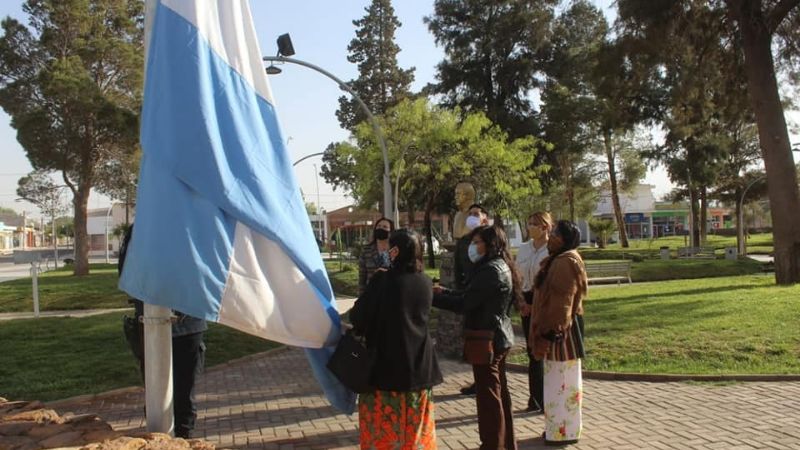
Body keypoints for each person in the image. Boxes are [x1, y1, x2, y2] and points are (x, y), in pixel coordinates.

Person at [349, 229, 443, 449]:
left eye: (389, 246)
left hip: (384, 370)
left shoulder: (382, 280)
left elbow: (358, 317)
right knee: (416, 433)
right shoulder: (425, 282)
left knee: (383, 433)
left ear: (396, 251)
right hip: (419, 369)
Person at [433, 225, 521, 450]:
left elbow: (465, 303)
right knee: (498, 393)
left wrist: (432, 298)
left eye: (478, 242)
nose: (473, 247)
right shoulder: (496, 267)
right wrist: (444, 292)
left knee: (489, 397)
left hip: (487, 338)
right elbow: (470, 296)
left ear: (491, 245)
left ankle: (492, 444)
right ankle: (505, 443)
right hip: (497, 335)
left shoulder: (491, 270)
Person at [119, 225, 207, 439]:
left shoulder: (189, 228)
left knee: (183, 395)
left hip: (187, 325)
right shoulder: (141, 230)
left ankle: (181, 440)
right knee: (157, 396)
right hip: (151, 325)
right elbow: (126, 275)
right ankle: (161, 440)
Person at [529, 220, 587, 446]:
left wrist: (550, 332)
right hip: (560, 331)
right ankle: (562, 429)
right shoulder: (560, 259)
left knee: (561, 384)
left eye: (554, 233)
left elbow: (563, 301)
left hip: (561, 334)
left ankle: (562, 431)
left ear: (562, 239)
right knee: (560, 383)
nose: (549, 236)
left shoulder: (565, 262)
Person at [514, 211, 553, 414]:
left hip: (544, 302)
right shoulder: (523, 249)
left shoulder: (552, 250)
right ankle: (535, 398)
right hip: (526, 300)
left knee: (544, 349)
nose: (529, 227)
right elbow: (517, 277)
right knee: (532, 351)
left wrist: (538, 304)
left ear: (544, 227)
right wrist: (521, 301)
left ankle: (549, 397)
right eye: (528, 223)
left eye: (533, 224)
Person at [453, 204, 490, 396]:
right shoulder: (463, 242)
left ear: (485, 218)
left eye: (476, 214)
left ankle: (488, 380)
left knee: (488, 342)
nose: (472, 217)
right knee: (472, 340)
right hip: (468, 295)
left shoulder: (493, 239)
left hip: (488, 298)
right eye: (470, 214)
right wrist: (460, 294)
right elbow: (458, 270)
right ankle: (477, 380)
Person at [358, 217, 394, 295]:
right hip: (371, 294)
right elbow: (362, 276)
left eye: (385, 227)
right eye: (379, 226)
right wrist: (361, 297)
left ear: (391, 231)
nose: (381, 228)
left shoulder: (395, 250)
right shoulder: (366, 250)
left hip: (392, 294)